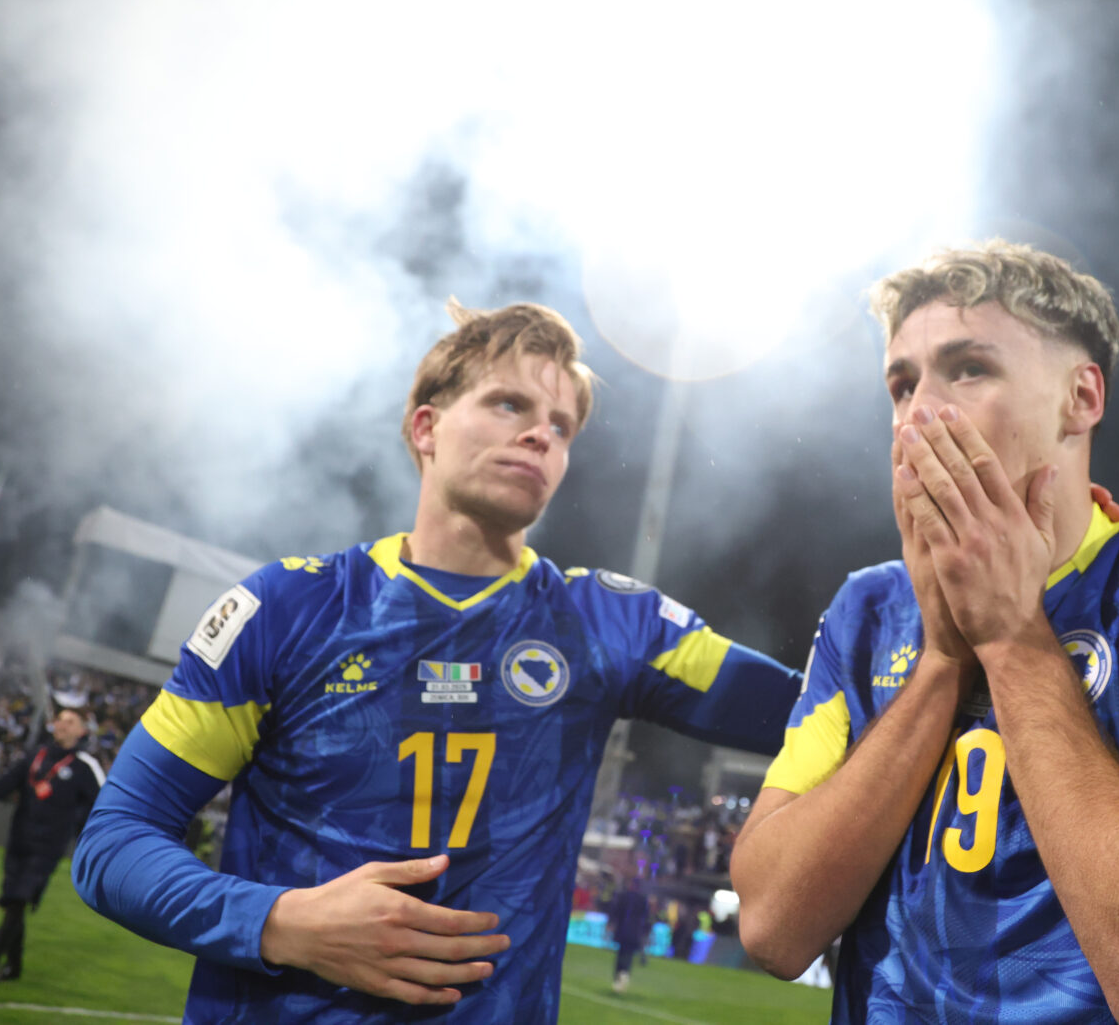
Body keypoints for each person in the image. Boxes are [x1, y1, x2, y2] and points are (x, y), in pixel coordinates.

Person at [73, 299, 803, 1023]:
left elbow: (824, 712)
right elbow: (114, 842)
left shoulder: (613, 625)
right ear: (426, 426)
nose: (539, 436)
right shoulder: (289, 609)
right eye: (508, 403)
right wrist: (284, 921)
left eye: (561, 426)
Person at [732, 240, 1119, 1023]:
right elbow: (774, 927)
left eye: (969, 368)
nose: (917, 415)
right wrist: (944, 662)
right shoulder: (870, 609)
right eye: (901, 383)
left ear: (1081, 397)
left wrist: (1013, 634)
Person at [0, 705, 105, 995]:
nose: (62, 725)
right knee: (15, 903)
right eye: (60, 719)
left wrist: (92, 849)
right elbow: (1, 785)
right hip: (19, 842)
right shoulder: (36, 756)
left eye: (70, 721)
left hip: (47, 849)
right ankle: (14, 966)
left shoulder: (85, 766)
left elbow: (100, 809)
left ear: (81, 731)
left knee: (18, 903)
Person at [607, 875, 650, 994]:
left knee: (621, 955)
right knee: (629, 956)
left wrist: (611, 924)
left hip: (623, 931)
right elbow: (646, 918)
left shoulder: (624, 896)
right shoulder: (643, 900)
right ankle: (624, 976)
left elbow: (615, 911)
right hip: (635, 933)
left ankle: (618, 979)